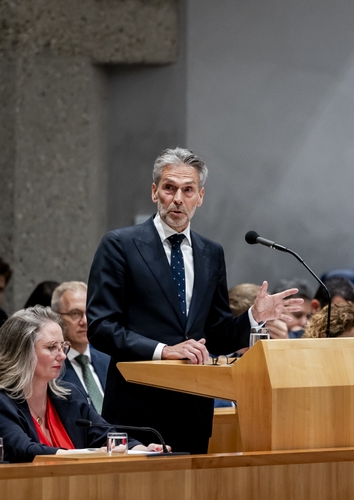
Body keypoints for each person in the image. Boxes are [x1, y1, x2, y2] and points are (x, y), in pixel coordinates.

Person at [86, 147, 303, 453]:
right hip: (137, 411)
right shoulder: (120, 245)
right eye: (169, 188)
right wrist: (165, 351)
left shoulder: (211, 253)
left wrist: (254, 316)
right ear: (154, 192)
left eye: (188, 190)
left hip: (193, 412)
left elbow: (214, 334)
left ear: (200, 197)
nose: (178, 198)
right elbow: (101, 327)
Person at [0, 306, 165, 463]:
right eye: (52, 347)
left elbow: (107, 436)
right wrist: (89, 455)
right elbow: (23, 450)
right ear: (22, 352)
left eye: (63, 346)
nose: (63, 356)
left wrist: (141, 449)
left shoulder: (69, 396)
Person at [51, 282, 110, 413]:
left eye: (89, 312)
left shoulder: (108, 362)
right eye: (75, 313)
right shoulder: (51, 368)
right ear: (56, 317)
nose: (84, 321)